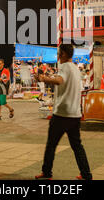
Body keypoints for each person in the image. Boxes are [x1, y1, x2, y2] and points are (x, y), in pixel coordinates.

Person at [35, 44, 92, 180]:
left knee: (51, 145)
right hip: (75, 114)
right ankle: (86, 174)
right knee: (77, 146)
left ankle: (47, 173)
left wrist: (44, 79)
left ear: (64, 54)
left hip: (62, 114)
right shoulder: (75, 68)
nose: (58, 56)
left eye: (59, 53)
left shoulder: (65, 67)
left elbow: (60, 80)